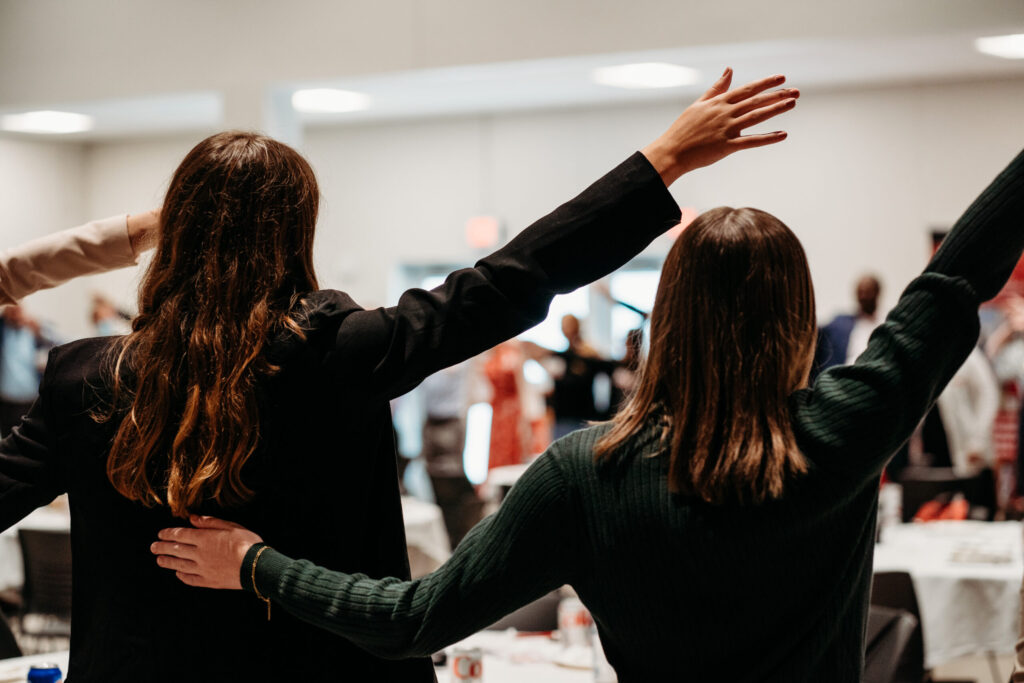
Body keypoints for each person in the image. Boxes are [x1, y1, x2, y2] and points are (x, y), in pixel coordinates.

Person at [1, 68, 799, 682]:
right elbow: (510, 279)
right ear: (294, 236)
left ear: (173, 234)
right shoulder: (342, 352)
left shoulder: (81, 379)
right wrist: (661, 161)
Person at [154, 143, 1024, 679]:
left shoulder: (585, 472)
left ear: (669, 317)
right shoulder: (848, 424)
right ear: (799, 317)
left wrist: (257, 562)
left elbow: (413, 619)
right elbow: (957, 275)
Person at [813, 273, 882, 375]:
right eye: (860, 292)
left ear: (877, 292)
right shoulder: (840, 324)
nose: (863, 297)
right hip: (843, 379)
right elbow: (816, 334)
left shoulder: (883, 324)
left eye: (867, 292)